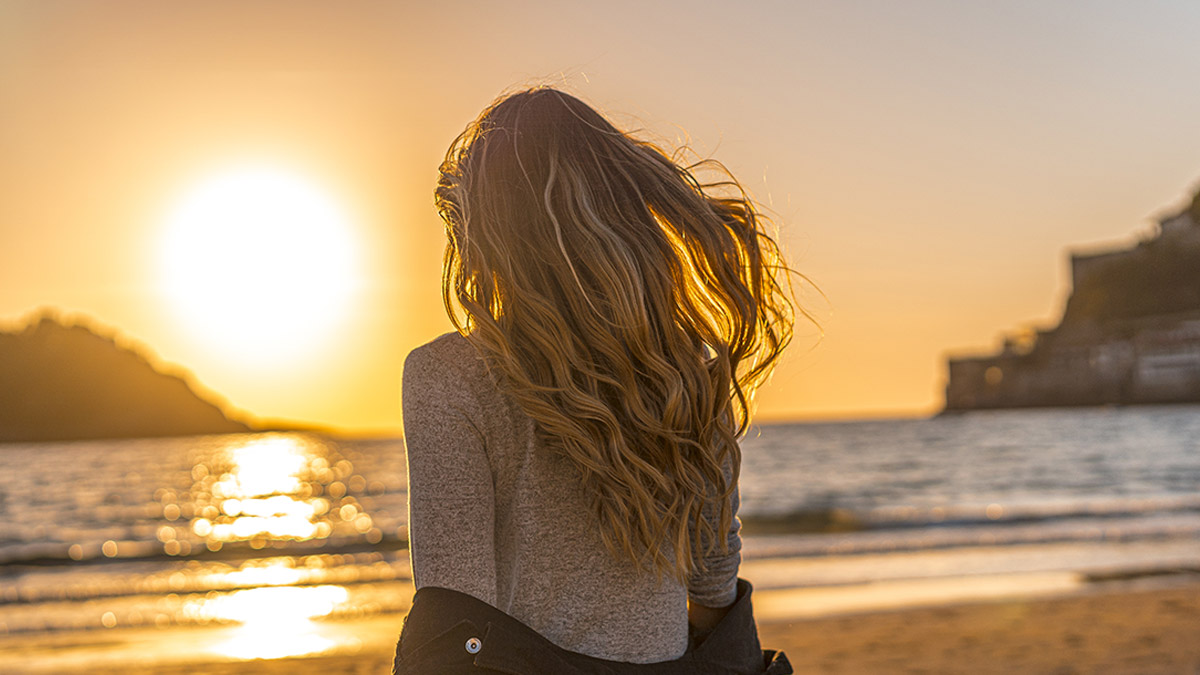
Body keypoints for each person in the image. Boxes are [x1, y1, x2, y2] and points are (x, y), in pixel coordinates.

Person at [394, 87, 797, 674]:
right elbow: (712, 590)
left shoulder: (448, 375)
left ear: (485, 230)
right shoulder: (686, 371)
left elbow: (455, 614)